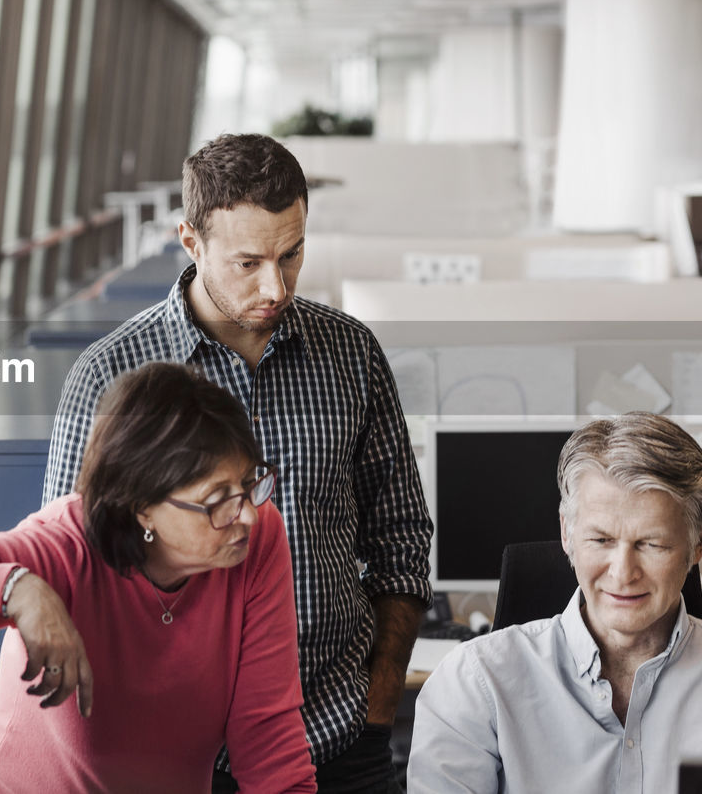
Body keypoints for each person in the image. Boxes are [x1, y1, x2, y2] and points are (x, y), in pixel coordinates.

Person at [43, 133, 432, 791]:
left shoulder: (351, 355)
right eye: (248, 262)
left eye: (292, 253)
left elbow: (400, 534)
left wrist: (381, 695)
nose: (274, 285)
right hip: (173, 753)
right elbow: (70, 571)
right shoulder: (111, 374)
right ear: (191, 243)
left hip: (339, 736)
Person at [0, 363, 317, 793]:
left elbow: (267, 736)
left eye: (248, 484)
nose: (248, 515)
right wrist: (19, 588)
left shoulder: (255, 538)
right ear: (141, 507)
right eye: (217, 500)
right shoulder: (67, 545)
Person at [408, 412, 702, 793]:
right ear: (567, 534)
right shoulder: (475, 681)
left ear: (697, 543)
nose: (622, 573)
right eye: (600, 540)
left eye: (651, 544)